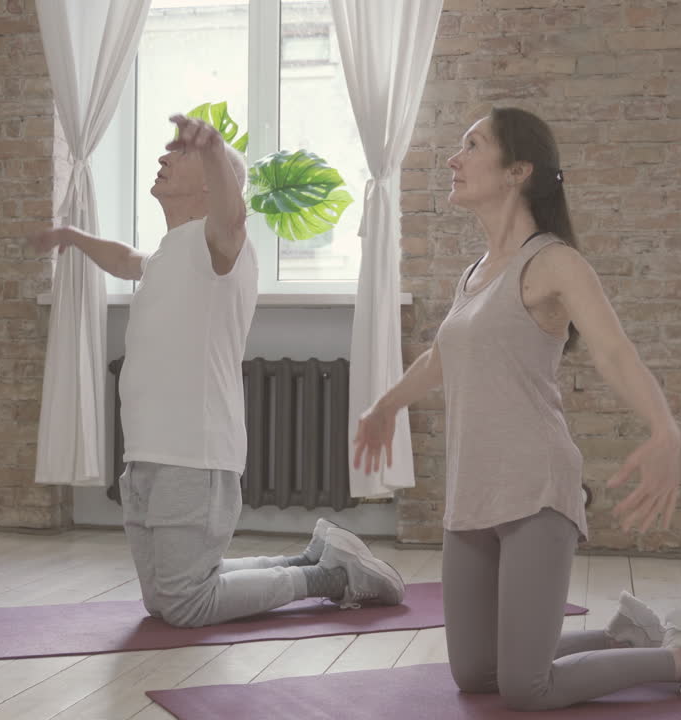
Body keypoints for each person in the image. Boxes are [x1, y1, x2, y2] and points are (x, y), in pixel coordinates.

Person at [353, 107, 681, 710]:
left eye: (471, 145)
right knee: (476, 674)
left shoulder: (553, 262)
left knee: (527, 688)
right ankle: (620, 635)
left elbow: (613, 350)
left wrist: (666, 430)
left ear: (517, 169)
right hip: (472, 493)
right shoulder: (475, 273)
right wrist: (384, 406)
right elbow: (443, 357)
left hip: (537, 488)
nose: (454, 158)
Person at [32, 114, 404, 628]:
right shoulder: (169, 253)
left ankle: (331, 580)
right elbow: (124, 260)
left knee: (188, 603)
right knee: (163, 600)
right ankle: (310, 560)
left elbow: (231, 218)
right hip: (145, 453)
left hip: (195, 455)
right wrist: (74, 236)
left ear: (211, 180)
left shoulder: (224, 247)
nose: (163, 157)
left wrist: (212, 147)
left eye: (179, 155)